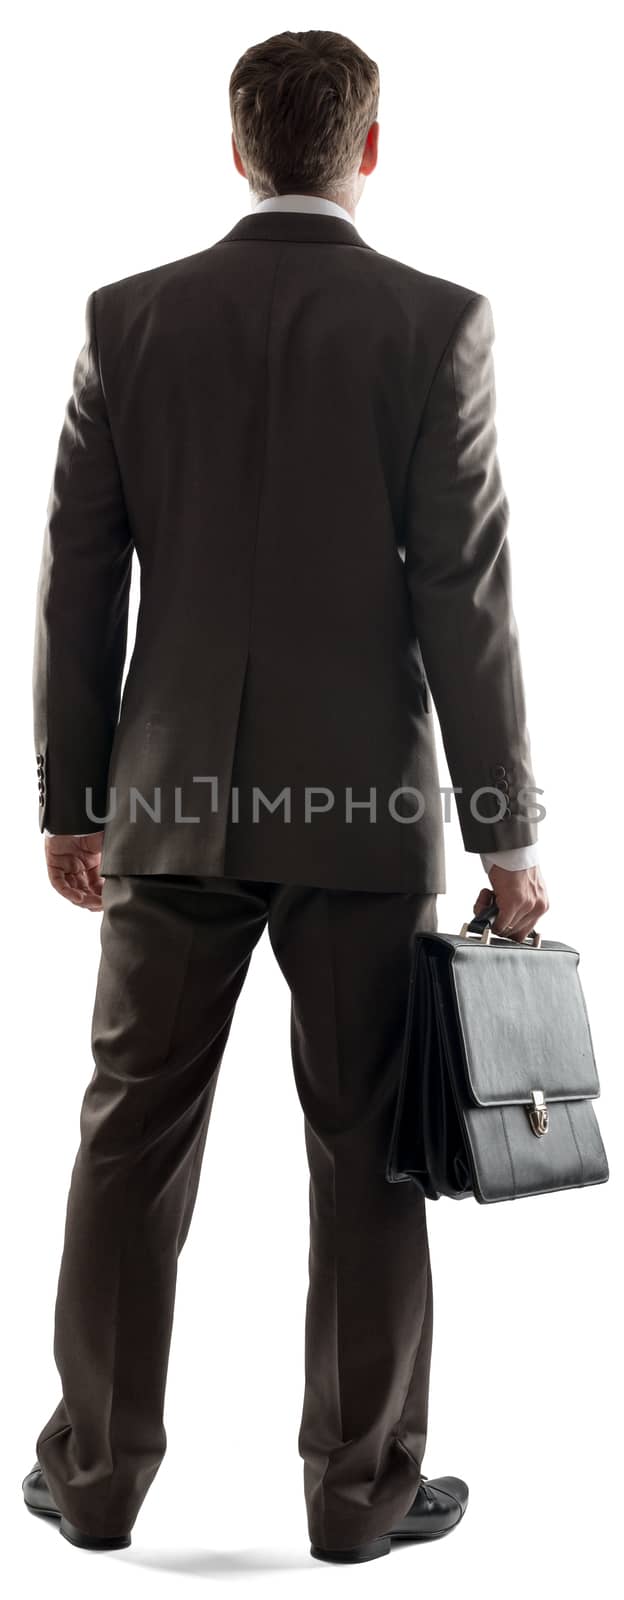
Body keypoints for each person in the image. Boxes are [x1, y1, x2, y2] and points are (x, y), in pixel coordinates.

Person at [23, 28, 548, 1564]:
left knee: (129, 1141)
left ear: (234, 143)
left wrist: (72, 801)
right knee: (371, 1151)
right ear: (370, 149)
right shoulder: (435, 323)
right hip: (368, 824)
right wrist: (509, 834)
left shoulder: (127, 321)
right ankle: (362, 1495)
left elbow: (78, 585)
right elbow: (469, 598)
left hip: (166, 809)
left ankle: (97, 1481)